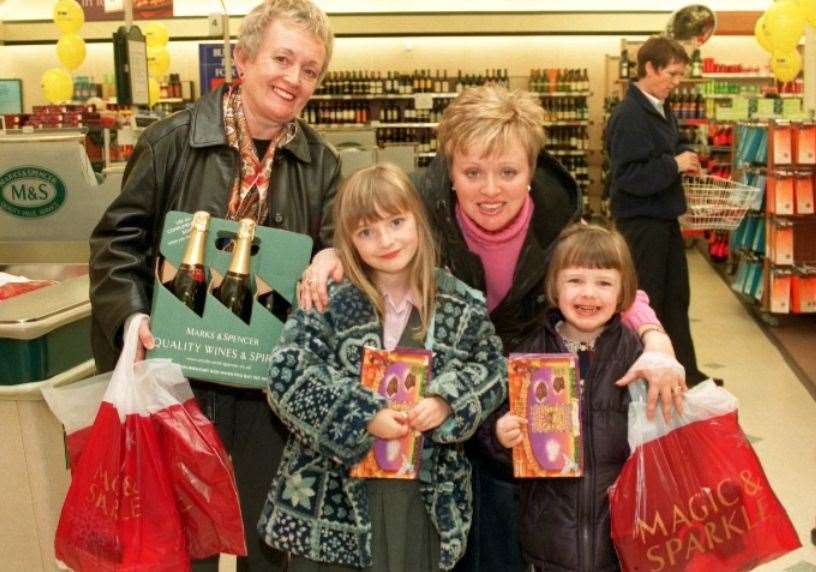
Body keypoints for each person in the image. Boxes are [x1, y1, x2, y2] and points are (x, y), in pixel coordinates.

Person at [299, 85, 686, 571]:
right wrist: (333, 252)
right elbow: (371, 229)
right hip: (440, 405)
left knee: (513, 535)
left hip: (525, 406)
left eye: (508, 172)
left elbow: (607, 279)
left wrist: (656, 340)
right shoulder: (422, 212)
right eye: (472, 172)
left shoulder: (557, 218)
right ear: (450, 171)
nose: (490, 190)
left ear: (530, 173)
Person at [87, 1, 339, 569]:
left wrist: (334, 256)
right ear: (242, 58)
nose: (294, 79)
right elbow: (115, 247)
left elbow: (333, 247)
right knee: (179, 541)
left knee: (267, 539)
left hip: (268, 392)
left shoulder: (321, 162)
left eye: (310, 69)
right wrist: (133, 319)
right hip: (177, 383)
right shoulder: (170, 142)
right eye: (282, 58)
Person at [259, 162, 506, 571]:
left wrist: (447, 400)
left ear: (419, 220)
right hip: (331, 502)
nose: (385, 240)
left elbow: (493, 366)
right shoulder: (328, 299)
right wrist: (365, 415)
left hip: (422, 502)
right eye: (366, 231)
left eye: (396, 222)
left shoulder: (460, 304)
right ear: (348, 241)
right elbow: (287, 375)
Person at [495, 223, 644, 571]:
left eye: (604, 283)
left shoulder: (637, 356)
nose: (588, 294)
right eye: (575, 281)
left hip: (622, 538)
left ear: (624, 291)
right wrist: (501, 436)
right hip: (550, 539)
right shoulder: (530, 355)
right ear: (554, 286)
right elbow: (497, 430)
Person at [606, 35, 711, 387]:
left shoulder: (660, 107)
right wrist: (673, 165)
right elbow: (629, 176)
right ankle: (646, 372)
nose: (677, 82)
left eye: (681, 75)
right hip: (641, 222)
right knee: (647, 301)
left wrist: (687, 157)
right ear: (649, 68)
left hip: (663, 218)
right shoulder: (628, 115)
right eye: (673, 74)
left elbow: (671, 146)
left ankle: (685, 371)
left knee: (676, 297)